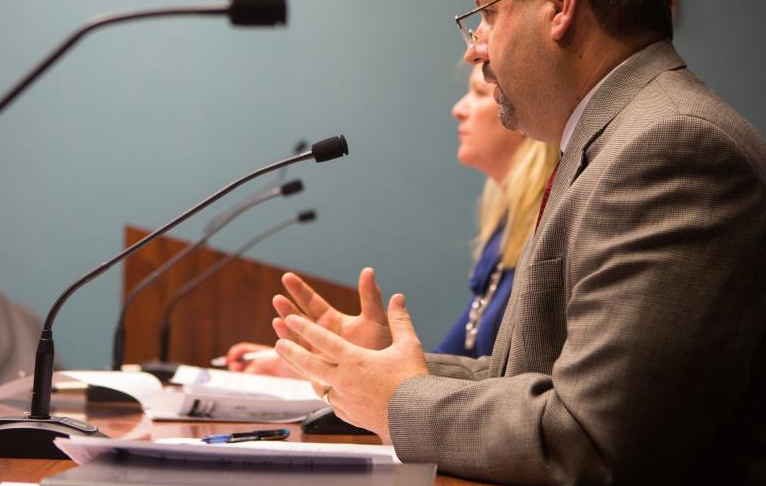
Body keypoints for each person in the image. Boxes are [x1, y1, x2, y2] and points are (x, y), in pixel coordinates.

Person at [268, 0, 766, 486]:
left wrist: (400, 400)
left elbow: (589, 441)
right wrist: (393, 370)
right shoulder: (611, 138)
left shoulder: (673, 150)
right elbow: (533, 384)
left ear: (560, 2)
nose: (477, 48)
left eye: (486, 13)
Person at [225, 66, 559, 373]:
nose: (458, 109)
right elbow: (458, 367)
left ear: (521, 113)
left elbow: (499, 386)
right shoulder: (503, 236)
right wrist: (336, 363)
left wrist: (360, 364)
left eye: (479, 93)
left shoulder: (551, 233)